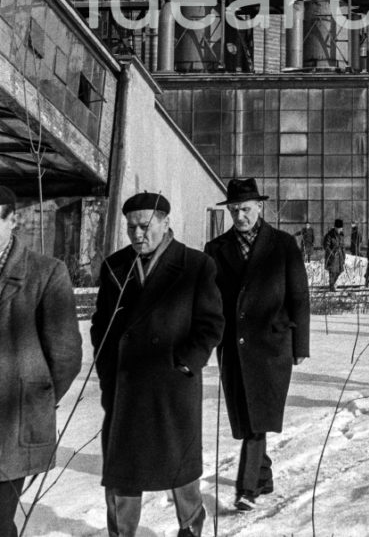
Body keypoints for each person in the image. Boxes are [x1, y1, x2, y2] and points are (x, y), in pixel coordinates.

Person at [91, 192, 224, 537]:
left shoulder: (195, 266)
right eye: (131, 227)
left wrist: (184, 364)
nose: (137, 234)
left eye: (145, 225)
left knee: (181, 475)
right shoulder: (115, 267)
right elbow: (100, 325)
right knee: (122, 475)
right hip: (125, 389)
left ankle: (192, 529)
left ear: (165, 223)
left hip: (172, 389)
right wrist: (108, 372)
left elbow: (211, 324)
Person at [205, 177, 310, 512]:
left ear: (260, 207)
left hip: (272, 344)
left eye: (246, 209)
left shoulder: (282, 245)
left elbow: (299, 296)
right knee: (246, 419)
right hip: (233, 347)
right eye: (234, 210)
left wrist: (300, 345)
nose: (240, 216)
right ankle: (263, 477)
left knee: (256, 420)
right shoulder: (216, 249)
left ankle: (246, 489)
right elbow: (209, 299)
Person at [0, 185, 82, 537]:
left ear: (13, 220)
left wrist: (34, 397)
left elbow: (65, 357)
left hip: (13, 426)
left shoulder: (47, 273)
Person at [323, 218, 345, 290]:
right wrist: (332, 254)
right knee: (332, 272)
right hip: (332, 257)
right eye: (339, 228)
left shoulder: (341, 236)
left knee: (339, 271)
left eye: (341, 228)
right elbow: (326, 246)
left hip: (340, 257)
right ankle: (332, 286)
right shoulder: (329, 235)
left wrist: (344, 256)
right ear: (335, 228)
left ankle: (333, 284)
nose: (340, 230)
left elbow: (342, 247)